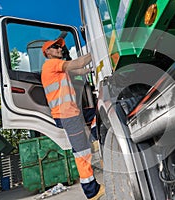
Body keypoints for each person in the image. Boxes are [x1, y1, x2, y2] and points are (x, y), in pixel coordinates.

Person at [41, 38, 104, 200]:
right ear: (47, 52)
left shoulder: (60, 68)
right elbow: (77, 63)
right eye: (56, 47)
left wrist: (93, 67)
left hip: (72, 113)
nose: (60, 49)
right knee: (81, 152)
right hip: (67, 115)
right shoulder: (51, 64)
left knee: (99, 111)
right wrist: (100, 48)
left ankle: (96, 140)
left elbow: (80, 70)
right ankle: (92, 191)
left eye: (60, 47)